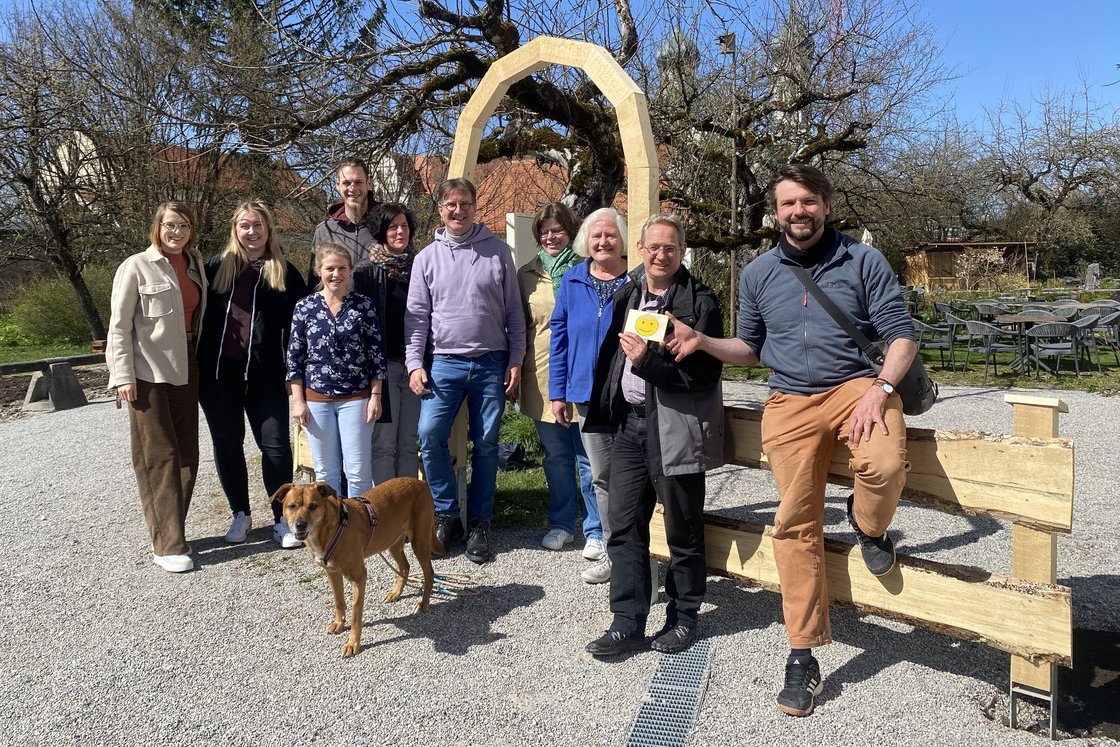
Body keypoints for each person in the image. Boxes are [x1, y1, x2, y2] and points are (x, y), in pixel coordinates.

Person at [666, 163, 916, 717]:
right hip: (790, 401)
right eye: (787, 204)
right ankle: (802, 654)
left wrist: (880, 389)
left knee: (884, 465)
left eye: (807, 201)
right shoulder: (756, 274)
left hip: (857, 387)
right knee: (793, 523)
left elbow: (901, 335)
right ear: (774, 213)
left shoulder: (863, 260)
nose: (798, 212)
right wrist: (704, 340)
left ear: (825, 204)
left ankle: (868, 523)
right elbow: (751, 348)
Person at [582, 213, 724, 658]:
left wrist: (647, 363)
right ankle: (627, 621)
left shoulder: (700, 301)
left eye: (669, 248)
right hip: (629, 426)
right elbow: (612, 358)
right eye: (653, 247)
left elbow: (701, 376)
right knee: (623, 527)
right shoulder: (629, 292)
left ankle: (683, 617)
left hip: (674, 429)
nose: (660, 255)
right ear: (639, 250)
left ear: (682, 251)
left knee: (683, 529)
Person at [406, 178, 525, 564]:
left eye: (465, 204)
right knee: (429, 435)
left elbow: (513, 313)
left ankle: (480, 522)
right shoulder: (426, 258)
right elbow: (417, 319)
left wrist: (515, 360)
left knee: (487, 444)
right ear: (440, 208)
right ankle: (446, 514)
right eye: (451, 204)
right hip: (444, 363)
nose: (458, 211)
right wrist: (414, 364)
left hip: (491, 361)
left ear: (475, 207)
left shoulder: (498, 253)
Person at [197, 202, 308, 549]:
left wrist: (299, 374)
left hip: (267, 376)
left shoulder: (284, 272)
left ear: (269, 230)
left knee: (275, 445)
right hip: (219, 376)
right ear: (236, 229)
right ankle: (240, 514)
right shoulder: (216, 268)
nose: (252, 232)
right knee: (227, 444)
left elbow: (302, 325)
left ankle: (281, 519)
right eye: (245, 226)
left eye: (258, 225)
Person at [106, 202, 207, 573]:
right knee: (159, 456)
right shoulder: (136, 266)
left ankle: (173, 529)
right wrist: (122, 376)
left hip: (187, 366)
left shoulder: (194, 264)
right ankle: (167, 544)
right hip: (148, 372)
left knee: (187, 457)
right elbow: (119, 326)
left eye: (183, 225)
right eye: (170, 225)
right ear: (157, 227)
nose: (177, 232)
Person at [548, 207, 630, 584]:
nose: (603, 242)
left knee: (635, 476)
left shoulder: (637, 280)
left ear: (622, 239)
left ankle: (638, 551)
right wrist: (558, 393)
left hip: (630, 394)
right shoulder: (572, 280)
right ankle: (615, 555)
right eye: (596, 236)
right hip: (585, 394)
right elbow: (560, 341)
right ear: (585, 241)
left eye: (610, 235)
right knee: (601, 476)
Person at [516, 202, 601, 563]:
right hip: (541, 377)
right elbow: (519, 327)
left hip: (583, 374)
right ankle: (563, 522)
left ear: (571, 231)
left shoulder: (588, 271)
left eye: (558, 229)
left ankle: (596, 529)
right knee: (556, 456)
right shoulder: (526, 275)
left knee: (589, 457)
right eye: (544, 231)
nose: (551, 236)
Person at [287, 242, 386, 497]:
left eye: (342, 268)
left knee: (358, 471)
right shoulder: (305, 307)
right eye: (330, 268)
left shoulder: (363, 306)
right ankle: (332, 529)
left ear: (350, 270)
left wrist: (376, 396)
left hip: (356, 398)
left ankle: (361, 529)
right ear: (319, 270)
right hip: (317, 399)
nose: (336, 274)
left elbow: (376, 354)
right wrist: (298, 401)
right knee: (325, 473)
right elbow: (295, 357)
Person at [352, 203, 421, 485]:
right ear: (382, 231)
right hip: (383, 370)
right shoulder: (365, 273)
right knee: (382, 445)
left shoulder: (421, 265)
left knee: (407, 444)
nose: (400, 231)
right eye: (393, 227)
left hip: (415, 367)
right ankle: (384, 513)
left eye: (404, 226)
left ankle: (405, 511)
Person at [308, 157, 379, 283]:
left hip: (377, 302)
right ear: (338, 185)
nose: (352, 188)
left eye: (358, 182)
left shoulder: (387, 224)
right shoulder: (325, 230)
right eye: (347, 183)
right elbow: (314, 283)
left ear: (369, 184)